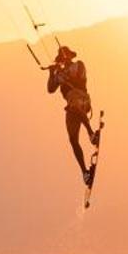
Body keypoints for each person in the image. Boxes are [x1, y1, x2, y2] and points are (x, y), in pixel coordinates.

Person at [45, 45, 101, 185]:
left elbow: (78, 74)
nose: (64, 59)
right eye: (62, 58)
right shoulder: (60, 73)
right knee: (72, 139)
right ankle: (85, 173)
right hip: (71, 106)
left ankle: (91, 134)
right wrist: (52, 73)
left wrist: (62, 73)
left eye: (66, 56)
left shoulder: (78, 64)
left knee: (74, 105)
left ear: (70, 56)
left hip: (82, 99)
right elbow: (50, 89)